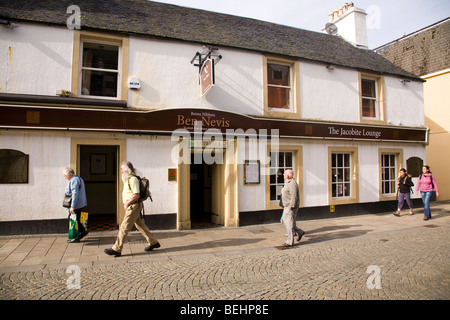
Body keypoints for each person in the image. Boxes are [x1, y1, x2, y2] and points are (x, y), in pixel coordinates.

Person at [104, 161, 160, 257]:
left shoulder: (132, 179)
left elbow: (136, 195)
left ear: (126, 169)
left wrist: (127, 203)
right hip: (133, 206)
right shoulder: (128, 179)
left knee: (124, 227)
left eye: (122, 169)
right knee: (140, 226)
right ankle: (153, 242)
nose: (121, 171)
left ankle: (117, 248)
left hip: (133, 206)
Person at [280, 169, 305, 247]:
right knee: (284, 221)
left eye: (284, 174)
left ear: (287, 176)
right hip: (286, 206)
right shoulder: (288, 182)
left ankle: (290, 241)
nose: (283, 175)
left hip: (290, 207)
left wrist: (291, 207)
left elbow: (294, 197)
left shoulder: (292, 184)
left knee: (289, 223)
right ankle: (300, 232)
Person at [63, 167, 88, 243]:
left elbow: (75, 193)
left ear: (69, 174)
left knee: (74, 220)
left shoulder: (74, 180)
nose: (65, 177)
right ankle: (82, 232)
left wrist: (72, 206)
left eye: (65, 176)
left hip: (76, 204)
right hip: (80, 203)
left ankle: (77, 235)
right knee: (76, 219)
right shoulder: (78, 178)